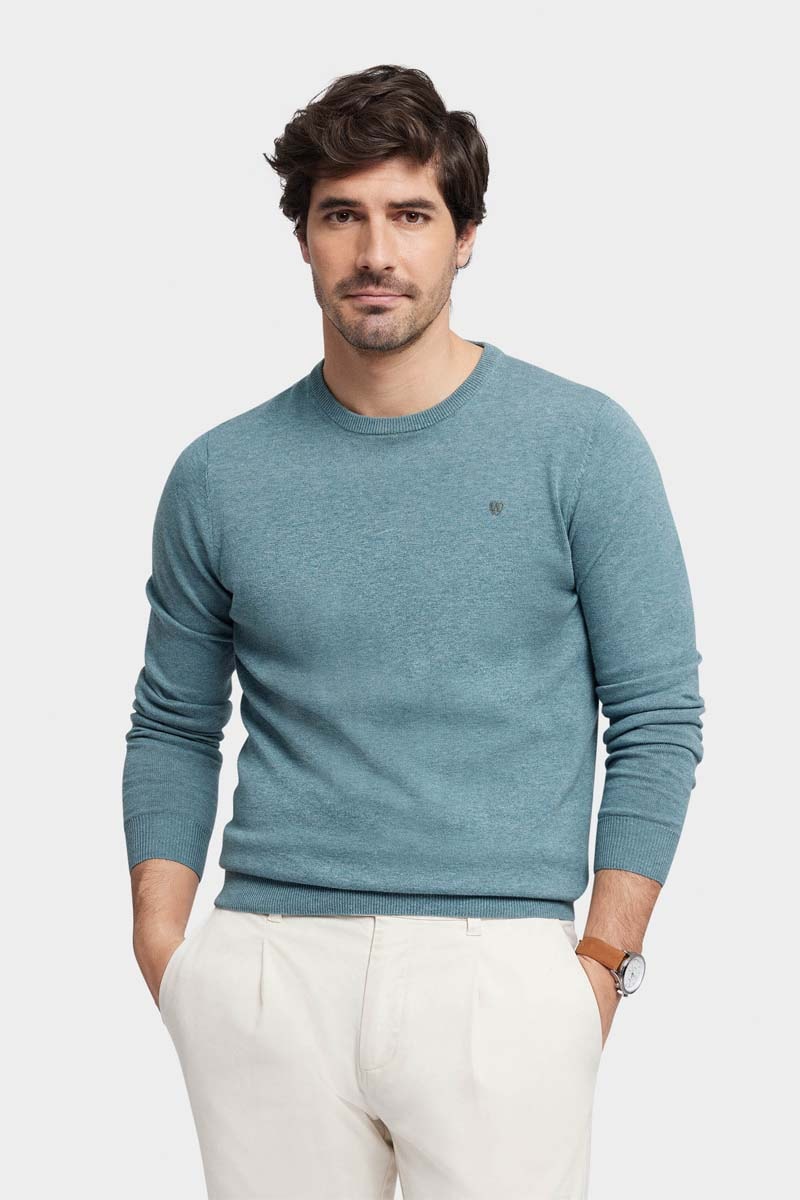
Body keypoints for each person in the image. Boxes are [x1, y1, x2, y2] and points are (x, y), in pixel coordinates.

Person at [122, 63, 705, 1200]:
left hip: (500, 974)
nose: (375, 252)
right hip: (267, 967)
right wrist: (167, 947)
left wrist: (600, 962)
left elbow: (657, 717)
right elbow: (173, 724)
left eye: (411, 215)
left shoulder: (580, 445)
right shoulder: (220, 474)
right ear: (303, 237)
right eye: (342, 215)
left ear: (465, 237)